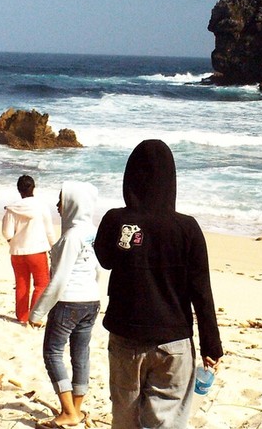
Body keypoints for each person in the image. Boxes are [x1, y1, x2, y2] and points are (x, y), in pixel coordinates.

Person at [94, 139, 224, 429]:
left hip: (125, 337)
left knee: (125, 419)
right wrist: (211, 346)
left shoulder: (116, 220)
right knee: (166, 422)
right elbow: (201, 291)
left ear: (130, 178)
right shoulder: (187, 228)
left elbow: (105, 259)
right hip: (173, 341)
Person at [30, 181, 101, 428]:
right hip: (91, 301)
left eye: (62, 200)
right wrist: (95, 293)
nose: (58, 206)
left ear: (74, 204)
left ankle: (69, 412)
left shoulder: (71, 236)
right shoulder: (92, 232)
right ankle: (75, 410)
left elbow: (59, 279)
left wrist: (37, 312)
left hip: (69, 302)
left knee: (52, 353)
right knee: (80, 354)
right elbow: (98, 270)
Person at [2, 174, 56, 324]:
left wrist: (13, 242)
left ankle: (22, 317)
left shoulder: (12, 209)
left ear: (19, 190)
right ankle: (34, 316)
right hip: (37, 251)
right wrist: (54, 248)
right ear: (33, 188)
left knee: (22, 284)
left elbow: (7, 232)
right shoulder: (41, 206)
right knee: (41, 284)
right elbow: (49, 231)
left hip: (17, 252)